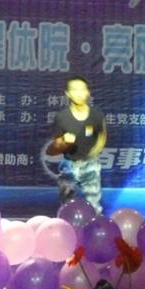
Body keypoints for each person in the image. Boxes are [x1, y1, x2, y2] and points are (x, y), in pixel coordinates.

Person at [47, 76, 107, 213]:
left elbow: (102, 137)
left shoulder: (96, 115)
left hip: (91, 164)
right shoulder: (61, 117)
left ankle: (95, 225)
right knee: (66, 206)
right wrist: (64, 141)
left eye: (82, 89)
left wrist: (93, 154)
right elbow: (56, 145)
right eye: (74, 90)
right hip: (68, 164)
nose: (79, 93)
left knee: (94, 206)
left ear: (88, 92)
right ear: (67, 93)